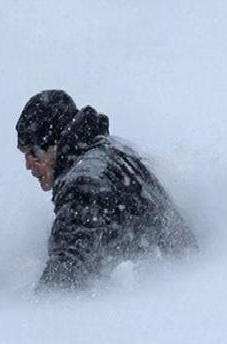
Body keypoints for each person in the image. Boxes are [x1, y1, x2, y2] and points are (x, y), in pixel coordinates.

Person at [15, 90, 197, 291]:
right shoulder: (116, 152)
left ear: (55, 142)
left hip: (157, 300)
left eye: (33, 153)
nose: (28, 165)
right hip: (183, 288)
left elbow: (65, 274)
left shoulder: (83, 182)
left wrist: (32, 316)